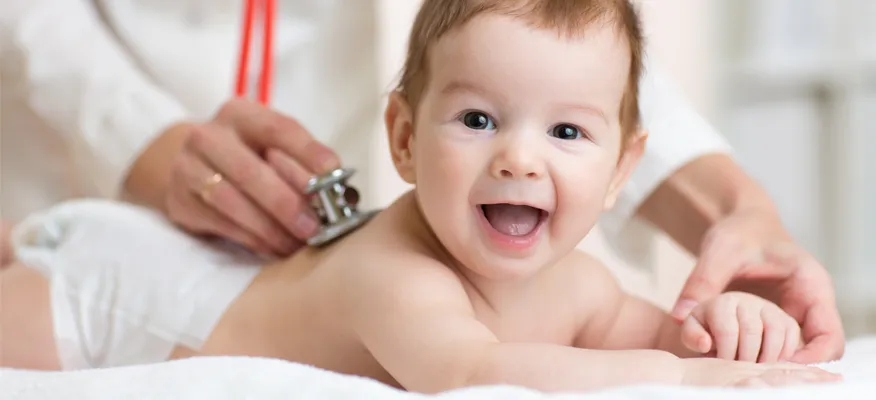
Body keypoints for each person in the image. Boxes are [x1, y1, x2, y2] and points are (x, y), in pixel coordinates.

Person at [0, 1, 841, 391]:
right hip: (125, 294)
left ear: (623, 169)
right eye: (477, 118)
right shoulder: (399, 274)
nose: (519, 159)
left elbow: (659, 338)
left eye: (568, 134)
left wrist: (731, 331)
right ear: (402, 139)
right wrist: (686, 384)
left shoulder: (583, 286)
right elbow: (472, 372)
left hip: (226, 257)